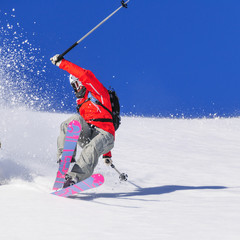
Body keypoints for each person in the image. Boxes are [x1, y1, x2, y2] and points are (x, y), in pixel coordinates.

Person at [50, 54, 115, 187]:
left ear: (82, 83)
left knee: (91, 148)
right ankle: (64, 157)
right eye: (73, 86)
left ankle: (74, 178)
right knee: (71, 121)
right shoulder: (81, 106)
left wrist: (62, 63)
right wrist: (106, 155)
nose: (75, 89)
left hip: (105, 135)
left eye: (76, 84)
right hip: (90, 135)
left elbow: (86, 76)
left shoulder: (100, 94)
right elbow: (76, 126)